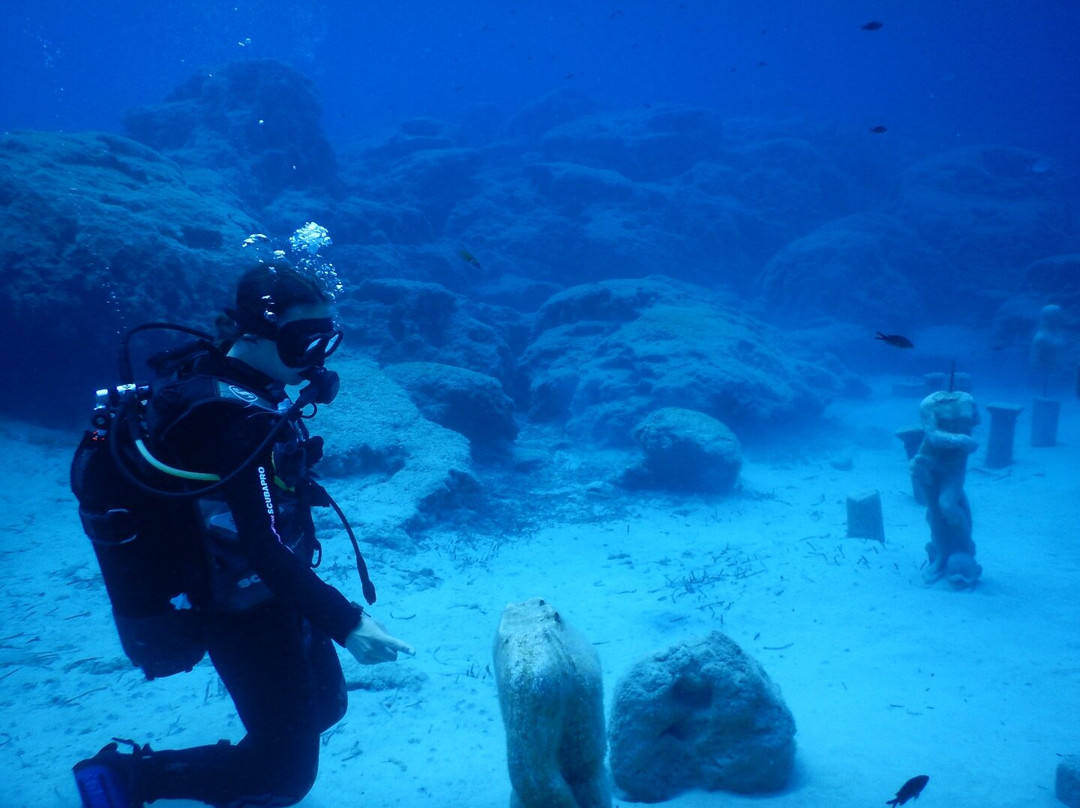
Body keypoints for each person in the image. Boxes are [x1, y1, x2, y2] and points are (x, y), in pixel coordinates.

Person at [72, 263, 414, 808]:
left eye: (328, 338)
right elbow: (262, 544)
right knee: (284, 778)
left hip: (273, 586)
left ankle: (256, 753)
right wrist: (348, 621)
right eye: (305, 340)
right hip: (239, 606)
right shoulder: (233, 421)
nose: (319, 356)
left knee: (327, 707)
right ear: (251, 333)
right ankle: (132, 778)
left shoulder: (237, 379)